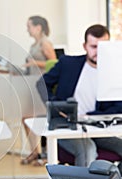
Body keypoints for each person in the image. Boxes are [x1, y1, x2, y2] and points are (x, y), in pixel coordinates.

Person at [36, 24, 122, 166]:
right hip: (69, 127)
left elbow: (119, 106)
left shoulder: (114, 71)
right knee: (88, 149)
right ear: (85, 46)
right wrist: (56, 106)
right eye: (94, 47)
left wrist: (93, 116)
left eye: (102, 47)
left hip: (97, 127)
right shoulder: (68, 64)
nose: (98, 52)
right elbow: (42, 84)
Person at [21, 16, 56, 166]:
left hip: (41, 86)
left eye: (29, 26)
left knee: (41, 120)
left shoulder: (45, 43)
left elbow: (54, 64)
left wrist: (33, 62)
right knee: (26, 119)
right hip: (32, 84)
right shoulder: (34, 45)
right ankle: (34, 151)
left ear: (38, 27)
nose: (27, 29)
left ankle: (47, 154)